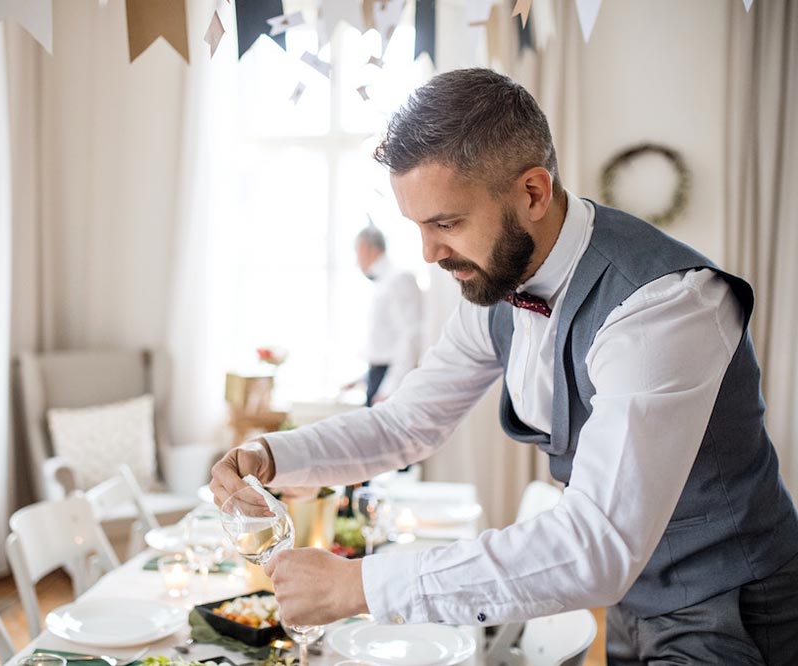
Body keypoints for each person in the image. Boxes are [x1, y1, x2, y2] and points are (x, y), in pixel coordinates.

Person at [210, 68, 798, 665]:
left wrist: (358, 585)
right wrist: (275, 455)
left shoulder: (663, 305)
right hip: (631, 601)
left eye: (447, 223)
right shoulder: (498, 282)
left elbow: (596, 545)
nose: (430, 253)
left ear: (533, 193)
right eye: (418, 227)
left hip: (734, 608)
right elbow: (407, 422)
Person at [344, 224, 422, 406]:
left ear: (366, 249)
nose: (356, 262)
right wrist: (362, 380)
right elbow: (384, 343)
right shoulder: (381, 283)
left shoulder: (400, 278)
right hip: (377, 376)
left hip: (389, 382)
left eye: (357, 253)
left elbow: (411, 335)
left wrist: (389, 389)